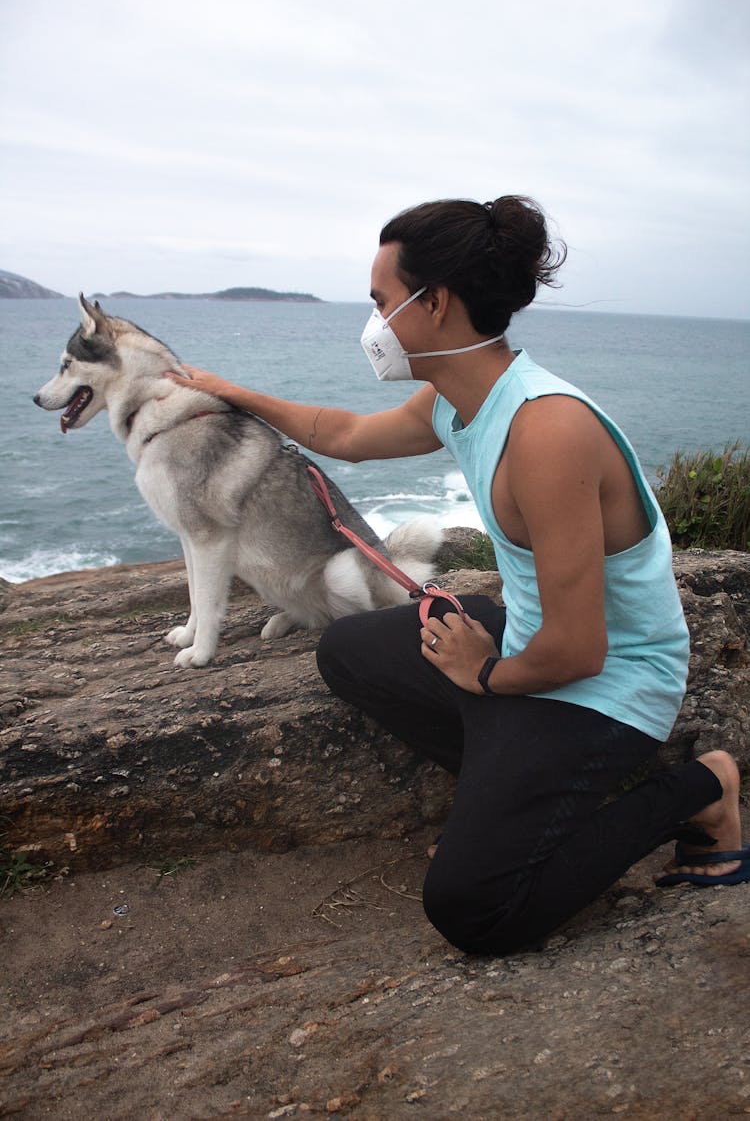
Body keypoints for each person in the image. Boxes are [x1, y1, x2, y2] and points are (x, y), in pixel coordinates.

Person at [167, 195, 748, 955]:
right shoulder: (456, 397)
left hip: (609, 677)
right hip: (536, 644)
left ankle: (701, 788)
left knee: (474, 907)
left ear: (433, 302)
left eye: (381, 301)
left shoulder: (548, 432)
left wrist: (484, 674)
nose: (374, 322)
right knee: (347, 652)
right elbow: (343, 434)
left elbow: (580, 652)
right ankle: (511, 784)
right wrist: (232, 393)